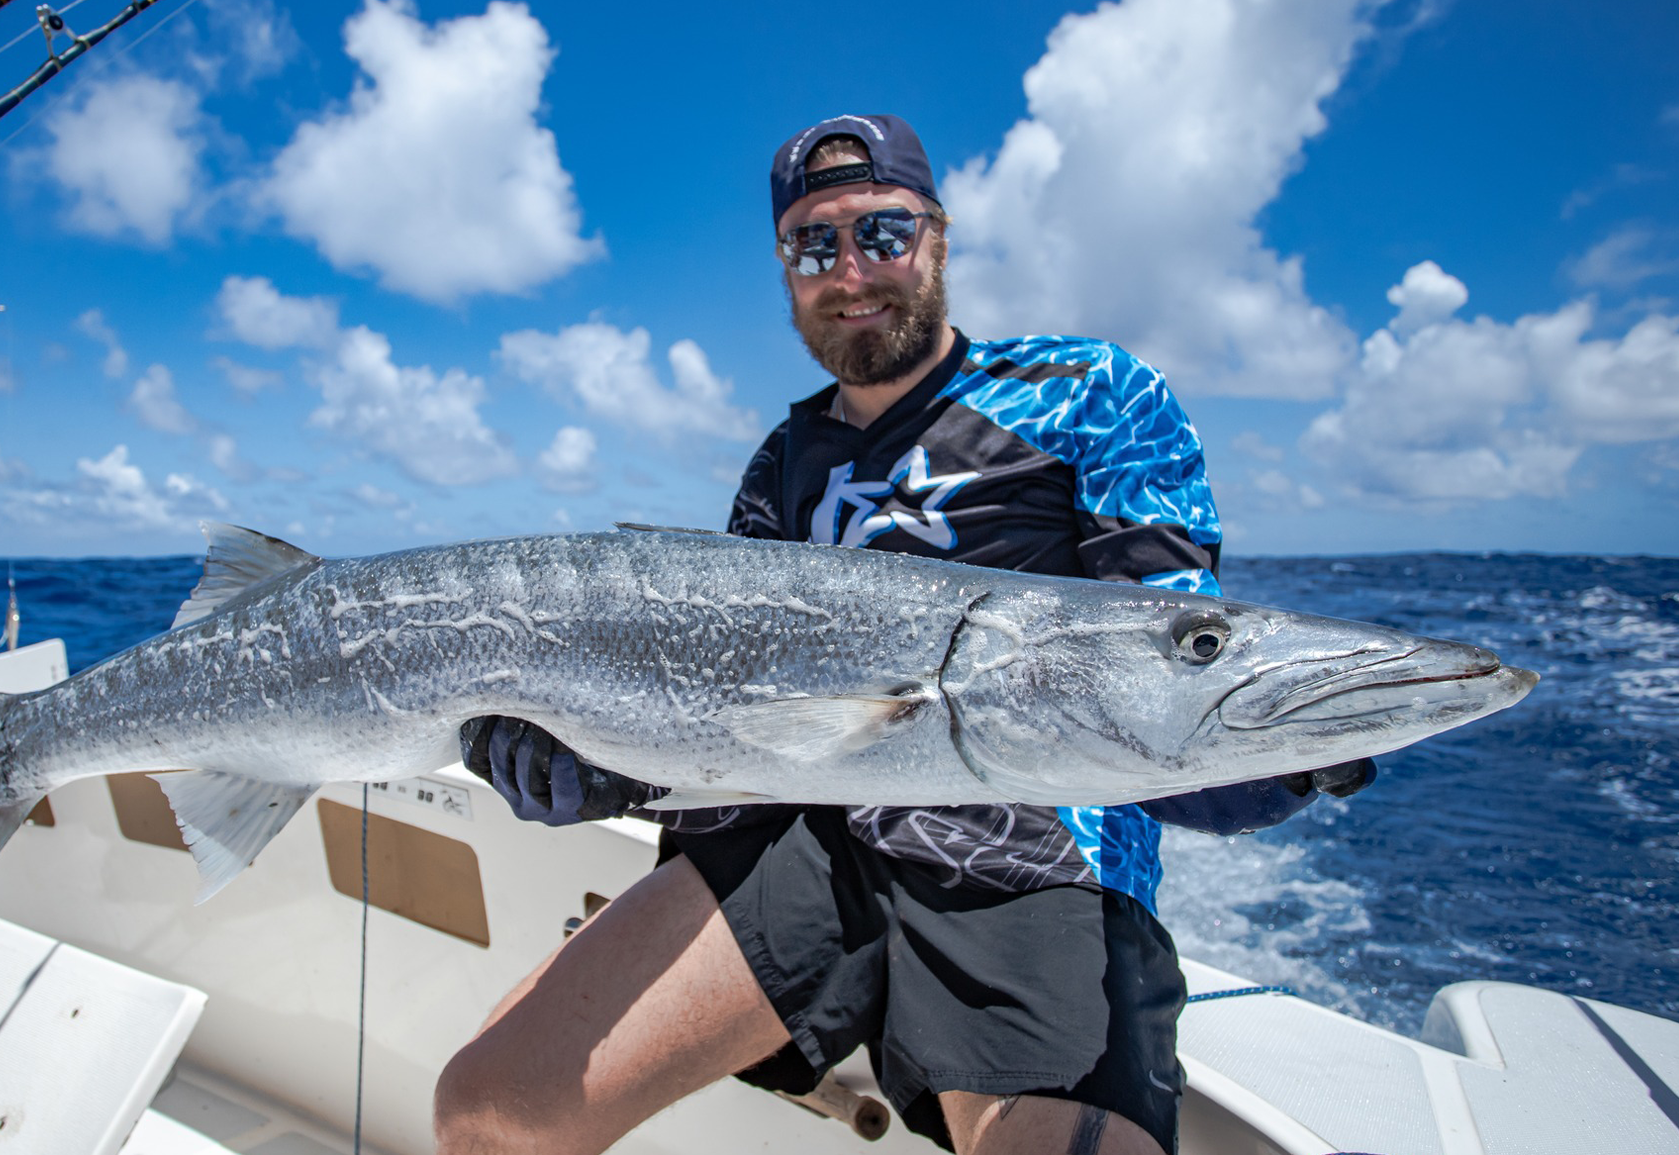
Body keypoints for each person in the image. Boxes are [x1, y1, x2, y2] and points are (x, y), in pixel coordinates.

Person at [432, 116, 1371, 1155]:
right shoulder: (779, 463)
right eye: (811, 245)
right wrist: (604, 768)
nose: (850, 270)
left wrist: (1266, 754)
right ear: (785, 270)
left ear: (935, 234)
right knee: (485, 1112)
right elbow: (728, 717)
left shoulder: (1088, 393)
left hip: (1029, 847)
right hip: (806, 837)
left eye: (880, 230)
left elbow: (1167, 642)